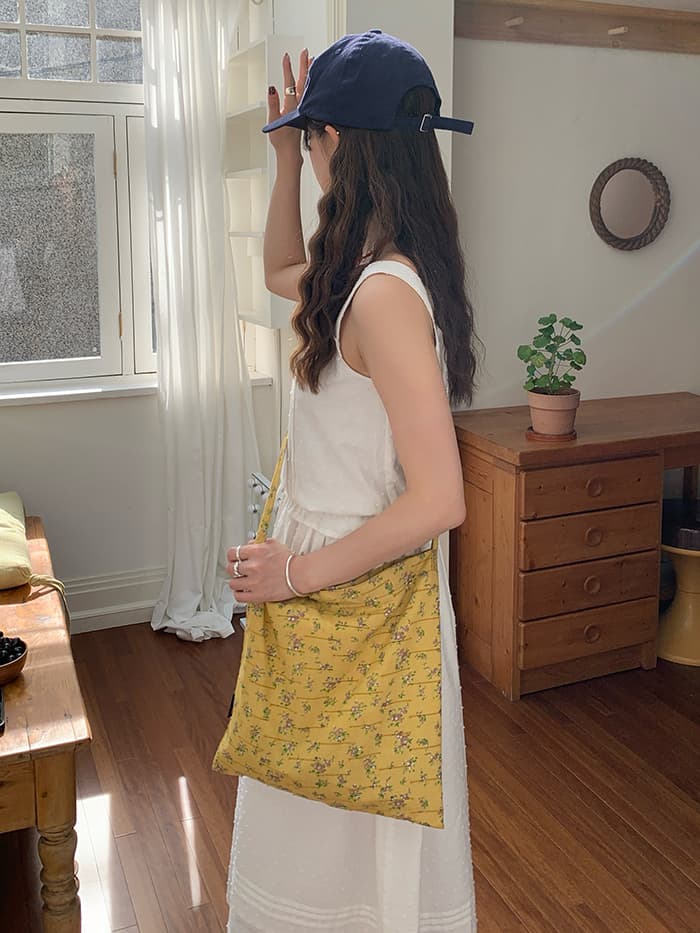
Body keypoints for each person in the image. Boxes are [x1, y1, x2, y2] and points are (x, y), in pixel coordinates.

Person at [225, 29, 479, 933]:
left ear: (338, 140)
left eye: (312, 140)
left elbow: (441, 499)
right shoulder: (360, 273)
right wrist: (283, 163)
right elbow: (276, 270)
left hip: (350, 584)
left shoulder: (381, 294)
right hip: (333, 580)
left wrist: (294, 573)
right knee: (319, 809)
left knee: (345, 830)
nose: (309, 154)